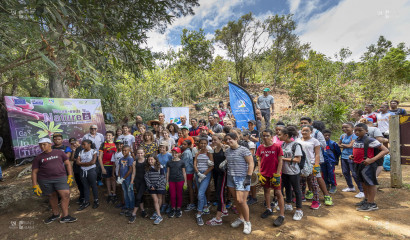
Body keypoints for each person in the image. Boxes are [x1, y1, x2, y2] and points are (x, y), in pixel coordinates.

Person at [31, 138, 77, 224]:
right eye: (40, 145)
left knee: (65, 195)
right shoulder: (38, 158)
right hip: (45, 180)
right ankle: (56, 214)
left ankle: (65, 216)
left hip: (60, 177)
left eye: (44, 144)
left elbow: (67, 163)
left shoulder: (59, 152)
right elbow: (34, 172)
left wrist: (70, 175)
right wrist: (35, 185)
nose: (42, 146)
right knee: (52, 196)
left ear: (50, 144)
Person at [352, 123, 389, 211]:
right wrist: (353, 156)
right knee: (363, 183)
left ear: (366, 131)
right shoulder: (356, 140)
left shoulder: (370, 140)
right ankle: (366, 199)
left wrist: (372, 159)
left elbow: (385, 150)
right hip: (358, 164)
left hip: (368, 165)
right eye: (355, 130)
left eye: (360, 130)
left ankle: (371, 203)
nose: (357, 132)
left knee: (370, 183)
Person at [223, 132, 254, 234]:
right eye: (226, 140)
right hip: (231, 177)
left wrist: (248, 178)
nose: (228, 141)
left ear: (236, 138)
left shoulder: (244, 150)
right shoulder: (227, 151)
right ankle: (241, 218)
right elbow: (228, 162)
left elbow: (251, 163)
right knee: (236, 200)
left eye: (230, 139)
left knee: (242, 201)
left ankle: (247, 222)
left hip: (242, 178)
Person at [297, 125, 332, 209]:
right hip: (301, 164)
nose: (304, 132)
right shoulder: (297, 140)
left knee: (313, 182)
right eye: (303, 130)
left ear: (311, 132)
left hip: (311, 163)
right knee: (301, 181)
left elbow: (317, 154)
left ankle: (316, 201)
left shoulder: (315, 141)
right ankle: (302, 196)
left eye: (306, 131)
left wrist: (316, 165)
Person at [256, 129, 285, 226]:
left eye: (267, 135)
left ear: (272, 136)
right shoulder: (260, 147)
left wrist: (277, 174)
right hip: (264, 174)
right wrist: (260, 172)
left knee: (278, 193)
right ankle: (268, 208)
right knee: (266, 190)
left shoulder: (277, 147)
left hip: (275, 175)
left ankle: (281, 215)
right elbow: (259, 160)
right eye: (263, 136)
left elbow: (281, 161)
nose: (265, 137)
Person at [278, 126, 304, 221]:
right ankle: (288, 204)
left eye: (280, 134)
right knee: (287, 188)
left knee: (297, 190)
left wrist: (282, 158)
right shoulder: (283, 145)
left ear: (286, 135)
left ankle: (299, 209)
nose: (278, 136)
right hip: (284, 171)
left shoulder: (295, 145)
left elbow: (298, 159)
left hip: (294, 171)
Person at [206, 134, 229, 226]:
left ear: (220, 140)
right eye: (212, 140)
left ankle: (218, 218)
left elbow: (229, 158)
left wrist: (226, 161)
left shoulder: (225, 148)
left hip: (222, 174)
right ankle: (224, 210)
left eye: (215, 140)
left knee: (219, 193)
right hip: (215, 173)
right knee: (219, 192)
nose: (213, 142)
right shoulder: (214, 150)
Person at [339, 122, 363, 197]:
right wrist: (345, 145)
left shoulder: (354, 136)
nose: (344, 129)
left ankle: (362, 190)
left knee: (354, 174)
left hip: (352, 157)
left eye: (347, 127)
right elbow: (338, 144)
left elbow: (350, 146)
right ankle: (350, 187)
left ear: (352, 128)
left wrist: (343, 145)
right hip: (343, 156)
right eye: (343, 127)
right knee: (345, 172)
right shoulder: (342, 136)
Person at [194, 137, 214, 226]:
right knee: (200, 192)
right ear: (199, 144)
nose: (202, 145)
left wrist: (203, 175)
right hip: (198, 174)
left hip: (206, 175)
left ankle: (199, 213)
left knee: (200, 194)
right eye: (201, 143)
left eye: (204, 143)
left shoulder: (209, 153)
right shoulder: (197, 153)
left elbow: (212, 166)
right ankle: (205, 207)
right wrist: (198, 173)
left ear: (207, 144)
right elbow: (195, 163)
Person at [76, 139, 99, 211]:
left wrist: (82, 164)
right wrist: (86, 164)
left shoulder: (93, 151)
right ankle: (86, 201)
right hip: (83, 171)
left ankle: (96, 200)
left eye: (84, 144)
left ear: (89, 144)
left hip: (91, 170)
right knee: (85, 186)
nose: (82, 146)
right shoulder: (81, 152)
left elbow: (93, 162)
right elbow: (77, 162)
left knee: (93, 185)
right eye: (82, 144)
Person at [145, 155, 166, 225]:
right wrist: (150, 185)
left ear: (155, 160)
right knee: (155, 200)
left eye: (152, 160)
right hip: (151, 187)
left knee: (159, 199)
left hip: (159, 186)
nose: (150, 161)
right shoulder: (147, 168)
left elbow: (162, 176)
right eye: (149, 160)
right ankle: (159, 215)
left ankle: (157, 213)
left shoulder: (160, 167)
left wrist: (156, 185)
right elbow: (146, 177)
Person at [129, 148, 148, 223]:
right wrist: (131, 181)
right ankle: (142, 210)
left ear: (144, 153)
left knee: (138, 196)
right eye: (138, 153)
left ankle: (133, 213)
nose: (140, 155)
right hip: (137, 181)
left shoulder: (147, 161)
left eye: (141, 153)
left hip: (144, 181)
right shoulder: (135, 162)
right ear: (136, 154)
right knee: (141, 196)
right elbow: (134, 173)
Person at [166, 147, 187, 218]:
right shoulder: (169, 162)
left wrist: (185, 182)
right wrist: (167, 182)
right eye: (173, 152)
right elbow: (168, 172)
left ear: (179, 153)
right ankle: (173, 208)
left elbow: (184, 172)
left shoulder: (182, 162)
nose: (174, 154)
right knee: (172, 195)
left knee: (179, 195)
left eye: (176, 153)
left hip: (180, 180)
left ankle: (178, 208)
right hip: (171, 180)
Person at [98, 131, 117, 203]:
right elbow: (100, 157)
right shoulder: (103, 144)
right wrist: (102, 168)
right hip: (105, 165)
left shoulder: (116, 144)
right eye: (107, 135)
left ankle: (114, 194)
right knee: (107, 180)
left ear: (113, 136)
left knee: (113, 179)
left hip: (114, 165)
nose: (108, 137)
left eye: (109, 135)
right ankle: (109, 194)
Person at [322, 129, 341, 194]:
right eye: (325, 135)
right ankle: (326, 184)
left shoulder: (333, 143)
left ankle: (333, 185)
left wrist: (336, 160)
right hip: (322, 161)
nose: (327, 136)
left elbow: (338, 152)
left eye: (328, 135)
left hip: (331, 161)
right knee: (324, 173)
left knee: (331, 173)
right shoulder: (320, 143)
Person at [117, 145, 134, 216]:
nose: (124, 152)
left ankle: (131, 208)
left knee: (130, 193)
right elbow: (119, 168)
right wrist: (119, 177)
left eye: (125, 150)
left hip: (128, 179)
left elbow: (130, 170)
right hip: (122, 179)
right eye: (123, 150)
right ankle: (126, 207)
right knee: (125, 193)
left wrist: (123, 178)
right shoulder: (121, 159)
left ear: (129, 150)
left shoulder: (130, 159)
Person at [158, 142, 172, 213]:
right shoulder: (158, 156)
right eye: (160, 147)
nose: (161, 149)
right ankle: (163, 204)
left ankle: (169, 205)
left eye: (163, 147)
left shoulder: (169, 155)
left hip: (168, 174)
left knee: (169, 190)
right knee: (162, 190)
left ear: (166, 148)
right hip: (161, 175)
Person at [69, 138, 84, 204]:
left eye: (75, 143)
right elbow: (72, 159)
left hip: (83, 169)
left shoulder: (83, 147)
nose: (74, 144)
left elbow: (82, 159)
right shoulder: (73, 149)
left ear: (78, 141)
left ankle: (84, 197)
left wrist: (77, 160)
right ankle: (81, 197)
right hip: (76, 169)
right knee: (79, 184)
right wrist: (74, 151)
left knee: (83, 184)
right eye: (72, 144)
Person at [111, 139, 124, 207]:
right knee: (120, 188)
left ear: (123, 145)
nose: (119, 145)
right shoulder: (115, 153)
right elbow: (114, 164)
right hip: (117, 172)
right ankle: (122, 202)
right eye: (117, 144)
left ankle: (124, 202)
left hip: (123, 173)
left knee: (124, 188)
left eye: (120, 144)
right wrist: (113, 173)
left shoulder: (125, 152)